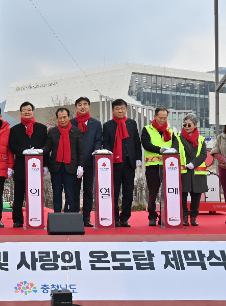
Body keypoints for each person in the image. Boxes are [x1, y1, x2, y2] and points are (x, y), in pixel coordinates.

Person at [8, 101, 49, 228]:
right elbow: (12, 145)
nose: (27, 112)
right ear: (21, 113)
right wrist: (22, 151)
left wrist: (45, 165)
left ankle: (35, 217)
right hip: (21, 166)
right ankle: (18, 220)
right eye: (24, 110)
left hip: (37, 168)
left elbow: (47, 146)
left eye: (29, 110)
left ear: (33, 112)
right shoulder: (14, 129)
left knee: (35, 193)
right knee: (19, 195)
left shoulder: (42, 128)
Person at [102, 99, 141, 227]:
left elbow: (136, 142)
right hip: (115, 163)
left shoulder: (132, 123)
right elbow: (106, 142)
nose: (120, 110)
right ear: (113, 110)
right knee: (114, 192)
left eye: (122, 108)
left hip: (129, 162)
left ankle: (125, 218)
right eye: (117, 108)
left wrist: (138, 158)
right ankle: (115, 218)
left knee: (128, 192)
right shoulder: (108, 125)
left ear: (126, 109)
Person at [140, 107, 179, 226]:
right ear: (155, 117)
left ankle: (164, 215)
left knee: (167, 192)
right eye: (160, 118)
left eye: (165, 118)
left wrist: (172, 151)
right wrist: (160, 150)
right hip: (153, 166)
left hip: (168, 166)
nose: (163, 120)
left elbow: (175, 145)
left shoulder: (170, 131)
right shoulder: (147, 129)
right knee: (153, 192)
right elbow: (146, 144)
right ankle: (152, 216)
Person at [42, 108, 85, 214]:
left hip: (71, 167)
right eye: (60, 118)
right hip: (56, 167)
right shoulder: (52, 131)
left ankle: (68, 215)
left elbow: (81, 151)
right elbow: (48, 147)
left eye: (64, 117)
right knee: (56, 193)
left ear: (69, 117)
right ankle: (57, 214)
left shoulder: (77, 131)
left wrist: (81, 166)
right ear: (56, 118)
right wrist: (40, 151)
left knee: (70, 193)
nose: (62, 120)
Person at [70, 97, 102, 227]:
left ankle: (86, 217)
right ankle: (75, 216)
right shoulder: (71, 122)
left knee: (88, 190)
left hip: (90, 161)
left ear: (89, 106)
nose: (82, 107)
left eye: (85, 104)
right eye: (79, 105)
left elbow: (98, 140)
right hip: (74, 162)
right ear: (76, 107)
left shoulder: (96, 123)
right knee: (74, 190)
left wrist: (95, 152)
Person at [175, 113, 207, 226]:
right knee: (183, 195)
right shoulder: (178, 138)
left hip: (197, 172)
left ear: (195, 125)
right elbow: (175, 152)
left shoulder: (201, 139)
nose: (186, 126)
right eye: (184, 124)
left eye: (189, 124)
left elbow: (203, 155)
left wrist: (193, 163)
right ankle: (184, 217)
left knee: (196, 195)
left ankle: (193, 217)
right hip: (183, 172)